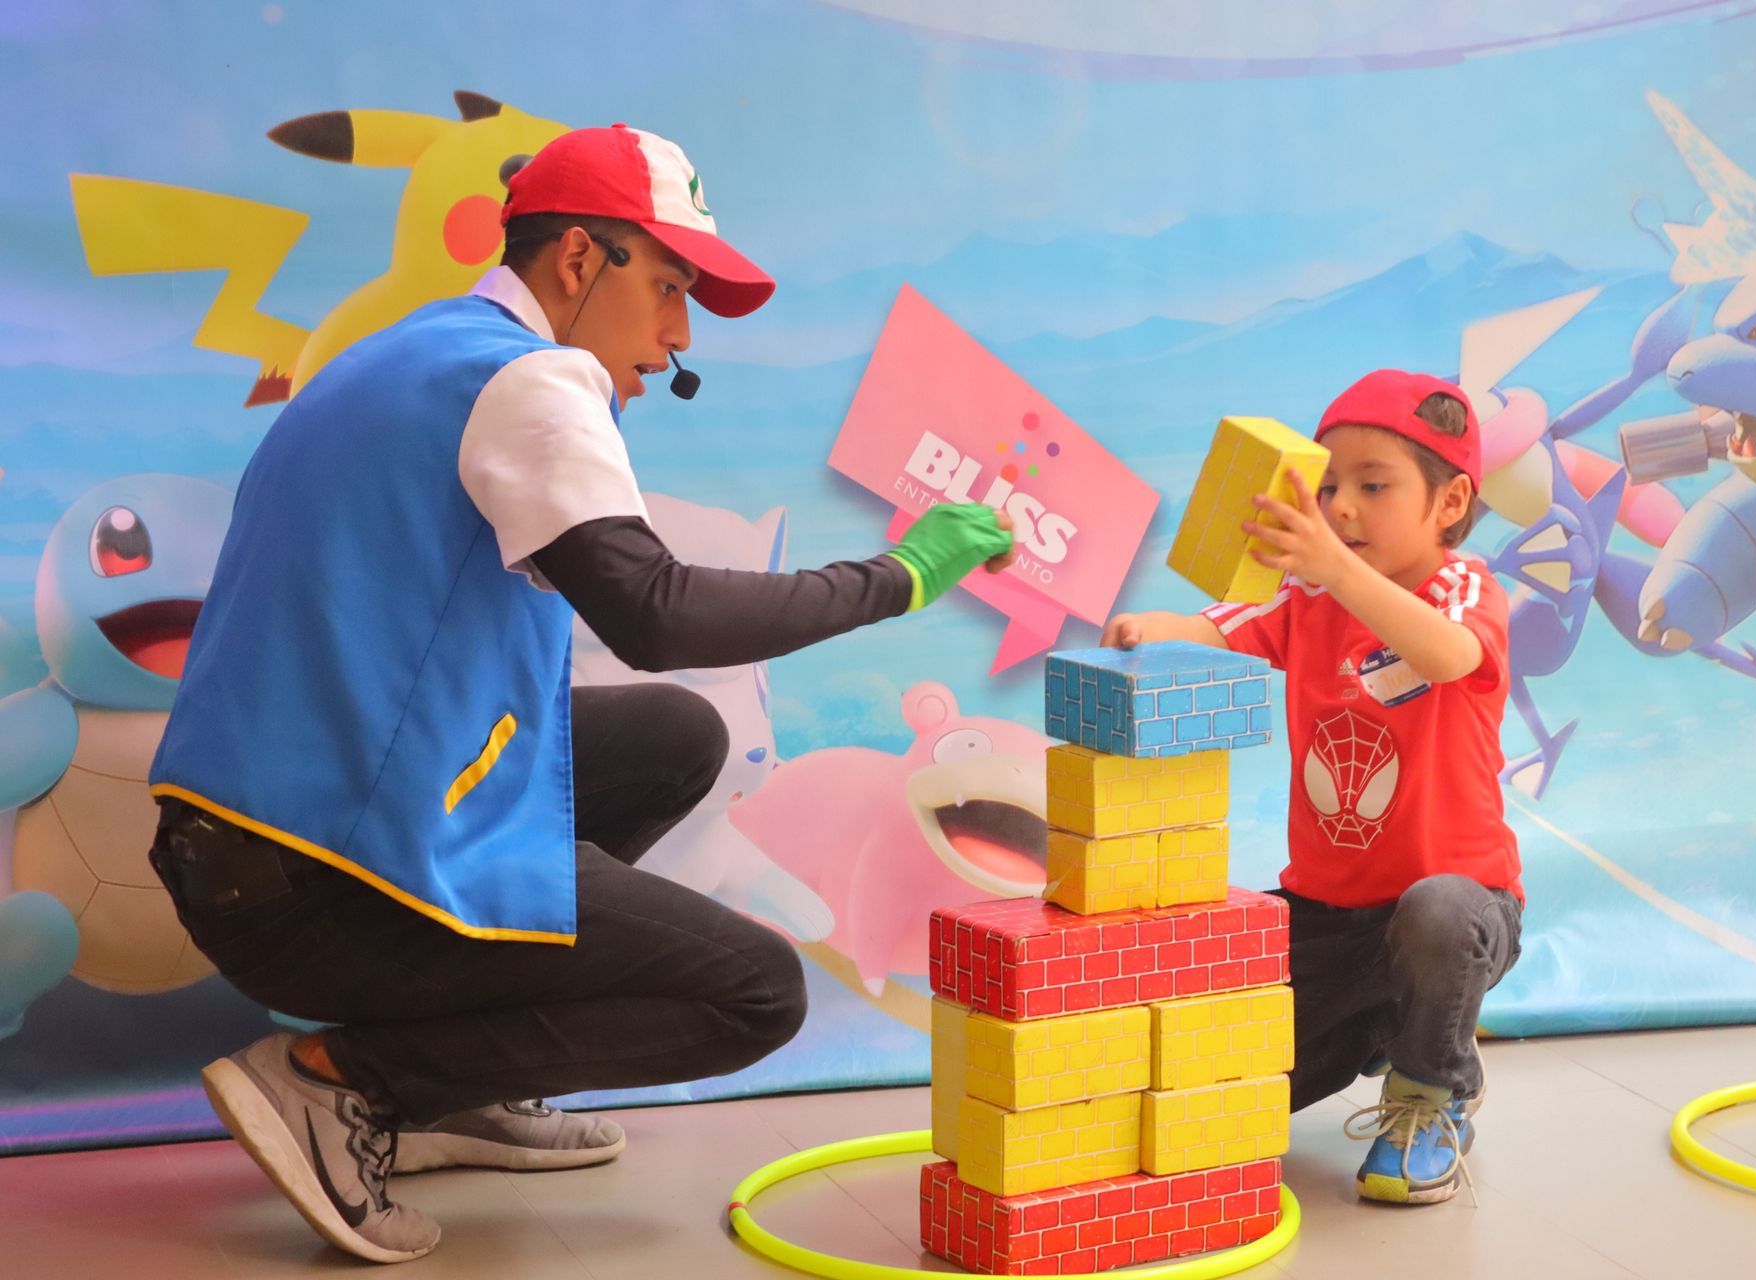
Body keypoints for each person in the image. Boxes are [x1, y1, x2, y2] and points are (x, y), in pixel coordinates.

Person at [145, 123, 1013, 1263]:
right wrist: (899, 578)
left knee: (673, 737)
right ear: (575, 263)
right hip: (313, 876)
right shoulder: (529, 376)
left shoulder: (424, 350)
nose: (676, 336)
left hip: (252, 844)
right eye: (666, 286)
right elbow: (655, 615)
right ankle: (348, 1079)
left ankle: (455, 1082)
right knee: (754, 992)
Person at [1103, 369, 1522, 1206]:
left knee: (1436, 913)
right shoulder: (1309, 601)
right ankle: (1379, 1022)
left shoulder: (1460, 588)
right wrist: (1155, 628)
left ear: (1449, 504)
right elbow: (1226, 624)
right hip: (1328, 918)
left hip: (1460, 913)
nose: (1342, 508)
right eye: (1329, 487)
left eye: (1374, 486)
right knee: (1236, 1089)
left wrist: (1334, 567)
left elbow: (1447, 655)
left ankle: (1432, 1094)